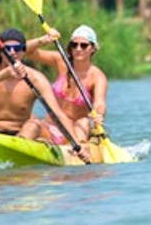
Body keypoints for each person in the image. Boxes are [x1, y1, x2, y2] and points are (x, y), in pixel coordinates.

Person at [0, 28, 88, 162]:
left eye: (16, 49)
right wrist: (3, 75)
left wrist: (76, 144)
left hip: (19, 136)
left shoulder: (35, 78)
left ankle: (17, 155)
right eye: (7, 49)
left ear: (23, 51)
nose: (12, 52)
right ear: (0, 51)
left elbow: (56, 113)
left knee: (34, 124)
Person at [24, 25, 108, 156]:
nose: (78, 49)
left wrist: (99, 115)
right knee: (28, 117)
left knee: (84, 121)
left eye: (83, 45)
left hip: (75, 132)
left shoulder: (97, 77)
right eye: (74, 45)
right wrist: (44, 40)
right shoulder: (61, 61)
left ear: (93, 48)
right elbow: (24, 51)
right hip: (50, 127)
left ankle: (80, 148)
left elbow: (99, 103)